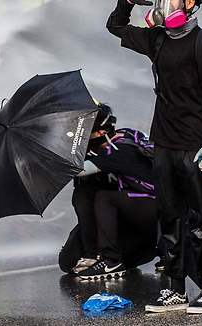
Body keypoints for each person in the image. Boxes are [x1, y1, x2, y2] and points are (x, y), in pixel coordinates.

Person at [107, 0, 202, 314]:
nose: (164, 2)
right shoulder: (157, 39)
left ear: (190, 2)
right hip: (163, 142)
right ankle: (175, 289)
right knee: (169, 217)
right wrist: (127, 1)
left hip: (195, 144)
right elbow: (115, 27)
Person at [67, 104, 159, 280]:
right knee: (67, 262)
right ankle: (93, 255)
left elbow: (76, 170)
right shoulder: (125, 133)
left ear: (101, 133)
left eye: (87, 134)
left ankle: (111, 261)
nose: (84, 139)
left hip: (155, 211)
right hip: (142, 212)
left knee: (104, 198)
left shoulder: (116, 150)